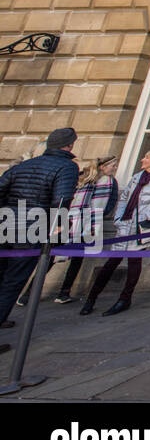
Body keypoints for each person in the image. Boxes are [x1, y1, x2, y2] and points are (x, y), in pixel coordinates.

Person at [0, 128, 80, 339]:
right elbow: (61, 201)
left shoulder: (24, 165)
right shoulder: (67, 167)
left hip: (6, 224)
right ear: (69, 145)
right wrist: (59, 232)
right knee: (13, 280)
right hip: (32, 228)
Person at [81, 147, 150, 317]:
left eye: (146, 157)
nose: (142, 160)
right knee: (111, 263)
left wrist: (147, 216)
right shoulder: (137, 176)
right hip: (125, 223)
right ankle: (91, 298)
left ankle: (125, 299)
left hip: (141, 226)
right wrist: (118, 217)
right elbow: (124, 197)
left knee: (134, 262)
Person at [54, 156, 120, 305]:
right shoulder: (84, 179)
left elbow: (110, 203)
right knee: (53, 257)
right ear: (102, 167)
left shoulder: (106, 182)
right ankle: (30, 293)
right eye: (113, 166)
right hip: (73, 222)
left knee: (76, 259)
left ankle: (64, 292)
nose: (115, 168)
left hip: (83, 223)